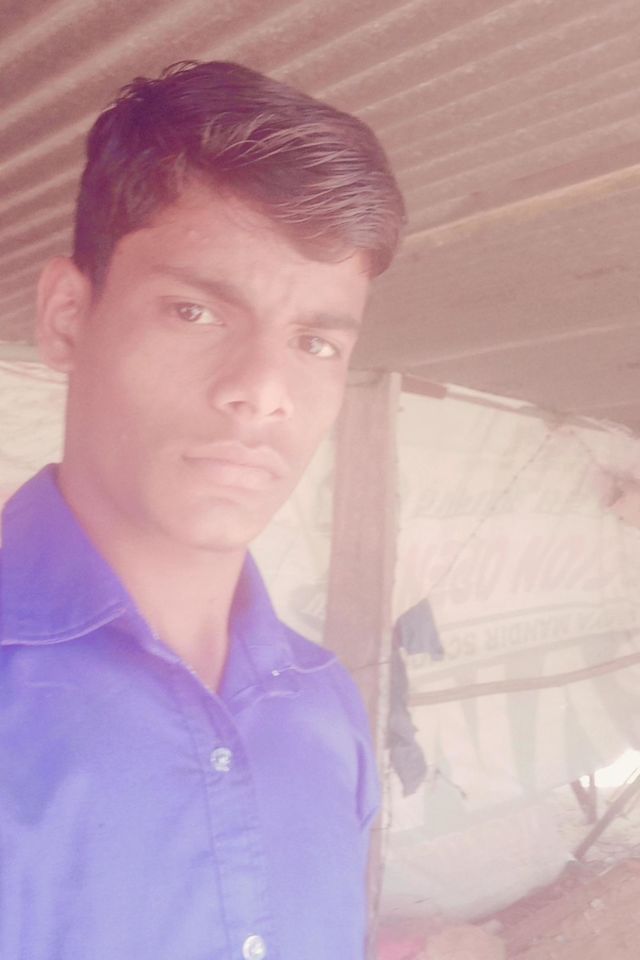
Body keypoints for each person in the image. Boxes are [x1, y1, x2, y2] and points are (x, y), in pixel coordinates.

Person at [0, 60, 404, 960]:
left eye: (314, 342)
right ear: (67, 317)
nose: (263, 390)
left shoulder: (325, 709)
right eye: (195, 312)